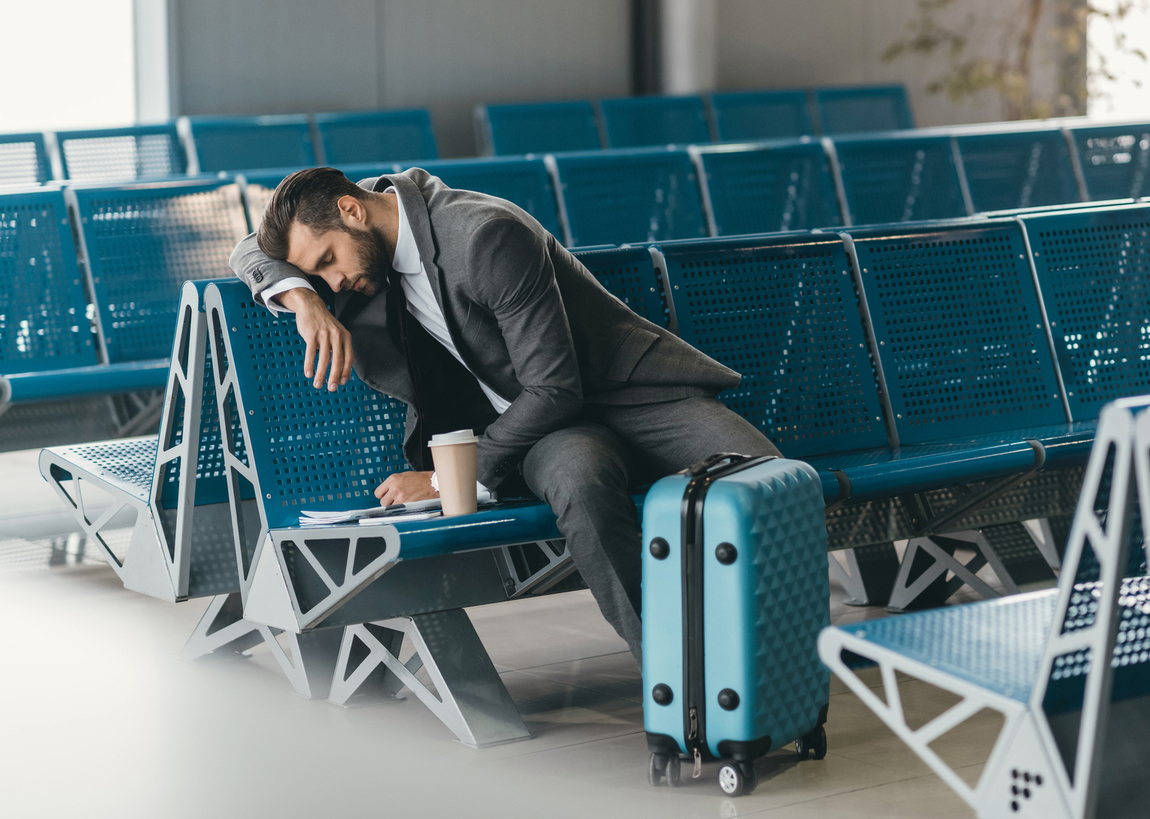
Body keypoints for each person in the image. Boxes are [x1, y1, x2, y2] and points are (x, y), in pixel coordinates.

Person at [229, 167, 780, 664]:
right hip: (547, 432)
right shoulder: (349, 234)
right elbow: (248, 251)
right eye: (318, 274)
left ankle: (780, 656)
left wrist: (450, 477)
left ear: (353, 210)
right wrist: (305, 300)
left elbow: (553, 386)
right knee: (580, 484)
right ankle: (675, 677)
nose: (334, 282)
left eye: (327, 262)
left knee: (770, 479)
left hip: (628, 394)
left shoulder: (482, 235)